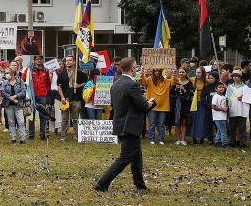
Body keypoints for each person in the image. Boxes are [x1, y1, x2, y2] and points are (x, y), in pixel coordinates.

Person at [94, 57, 154, 193]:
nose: (137, 68)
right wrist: (150, 103)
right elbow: (143, 106)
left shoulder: (115, 84)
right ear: (133, 69)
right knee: (125, 158)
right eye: (136, 66)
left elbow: (118, 105)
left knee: (136, 156)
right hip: (130, 126)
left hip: (120, 124)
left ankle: (140, 185)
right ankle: (102, 183)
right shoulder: (132, 85)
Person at [56, 55, 87, 141]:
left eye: (70, 60)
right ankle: (63, 136)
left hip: (76, 99)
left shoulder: (80, 73)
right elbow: (59, 87)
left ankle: (76, 135)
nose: (68, 62)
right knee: (64, 119)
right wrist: (62, 97)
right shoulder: (62, 74)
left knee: (76, 119)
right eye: (66, 61)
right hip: (65, 99)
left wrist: (79, 85)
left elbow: (87, 83)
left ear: (74, 62)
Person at [141, 67, 176, 145]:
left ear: (161, 72)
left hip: (163, 105)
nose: (157, 72)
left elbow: (174, 82)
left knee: (161, 124)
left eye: (159, 71)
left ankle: (161, 139)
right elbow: (142, 82)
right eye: (155, 71)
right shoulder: (149, 80)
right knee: (152, 123)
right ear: (153, 72)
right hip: (152, 105)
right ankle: (151, 139)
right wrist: (142, 72)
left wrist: (174, 72)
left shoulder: (166, 81)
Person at [28, 55, 52, 140]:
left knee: (43, 115)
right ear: (34, 61)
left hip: (42, 95)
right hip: (32, 95)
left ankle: (42, 134)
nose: (39, 61)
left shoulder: (46, 70)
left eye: (40, 59)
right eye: (37, 59)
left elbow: (48, 83)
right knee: (32, 115)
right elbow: (24, 79)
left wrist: (46, 91)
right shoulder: (29, 70)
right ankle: (31, 134)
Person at [226, 70, 249, 148]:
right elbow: (228, 98)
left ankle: (243, 143)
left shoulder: (245, 87)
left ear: (240, 77)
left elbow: (249, 99)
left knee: (242, 128)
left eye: (237, 76)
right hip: (233, 110)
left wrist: (243, 98)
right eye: (233, 76)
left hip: (242, 110)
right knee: (232, 127)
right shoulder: (230, 87)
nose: (235, 78)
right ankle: (232, 142)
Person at [173, 68, 194, 146]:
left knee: (184, 122)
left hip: (185, 104)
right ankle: (178, 139)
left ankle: (183, 139)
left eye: (183, 72)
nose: (181, 73)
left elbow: (191, 94)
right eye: (180, 72)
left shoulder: (189, 83)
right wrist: (176, 89)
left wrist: (184, 90)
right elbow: (171, 92)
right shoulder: (175, 81)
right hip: (177, 104)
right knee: (177, 122)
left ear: (186, 73)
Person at [210, 81, 229, 148]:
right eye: (219, 87)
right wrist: (222, 109)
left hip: (223, 116)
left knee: (219, 130)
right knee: (223, 131)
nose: (221, 88)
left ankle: (217, 142)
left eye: (222, 87)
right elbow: (213, 106)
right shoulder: (215, 96)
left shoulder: (224, 97)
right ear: (216, 89)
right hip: (218, 117)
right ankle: (224, 143)